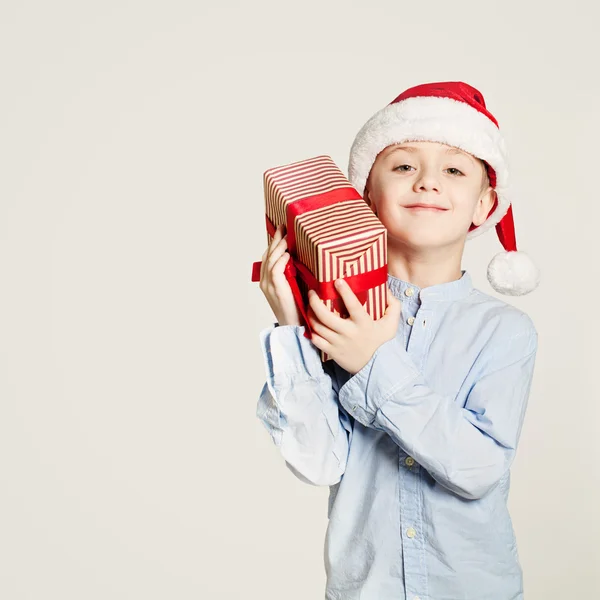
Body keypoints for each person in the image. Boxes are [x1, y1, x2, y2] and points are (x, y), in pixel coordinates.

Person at [255, 81, 541, 600]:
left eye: (454, 170)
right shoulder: (336, 319)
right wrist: (293, 328)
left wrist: (374, 363)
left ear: (484, 203)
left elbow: (477, 468)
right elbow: (318, 460)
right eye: (404, 166)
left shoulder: (504, 332)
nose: (428, 183)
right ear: (365, 193)